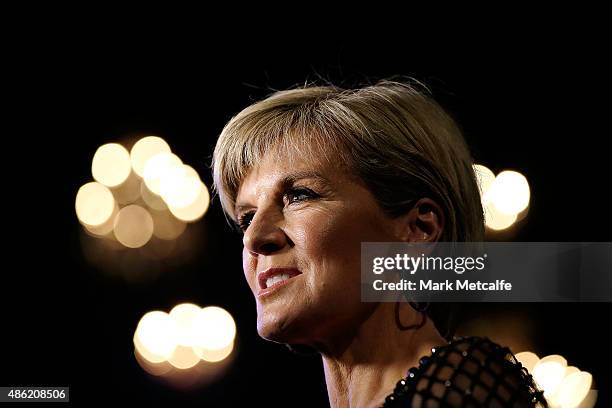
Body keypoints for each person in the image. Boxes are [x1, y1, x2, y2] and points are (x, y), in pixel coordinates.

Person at [211, 80, 547, 407]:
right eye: (246, 217)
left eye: (299, 195)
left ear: (418, 229)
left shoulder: (461, 390)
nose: (255, 238)